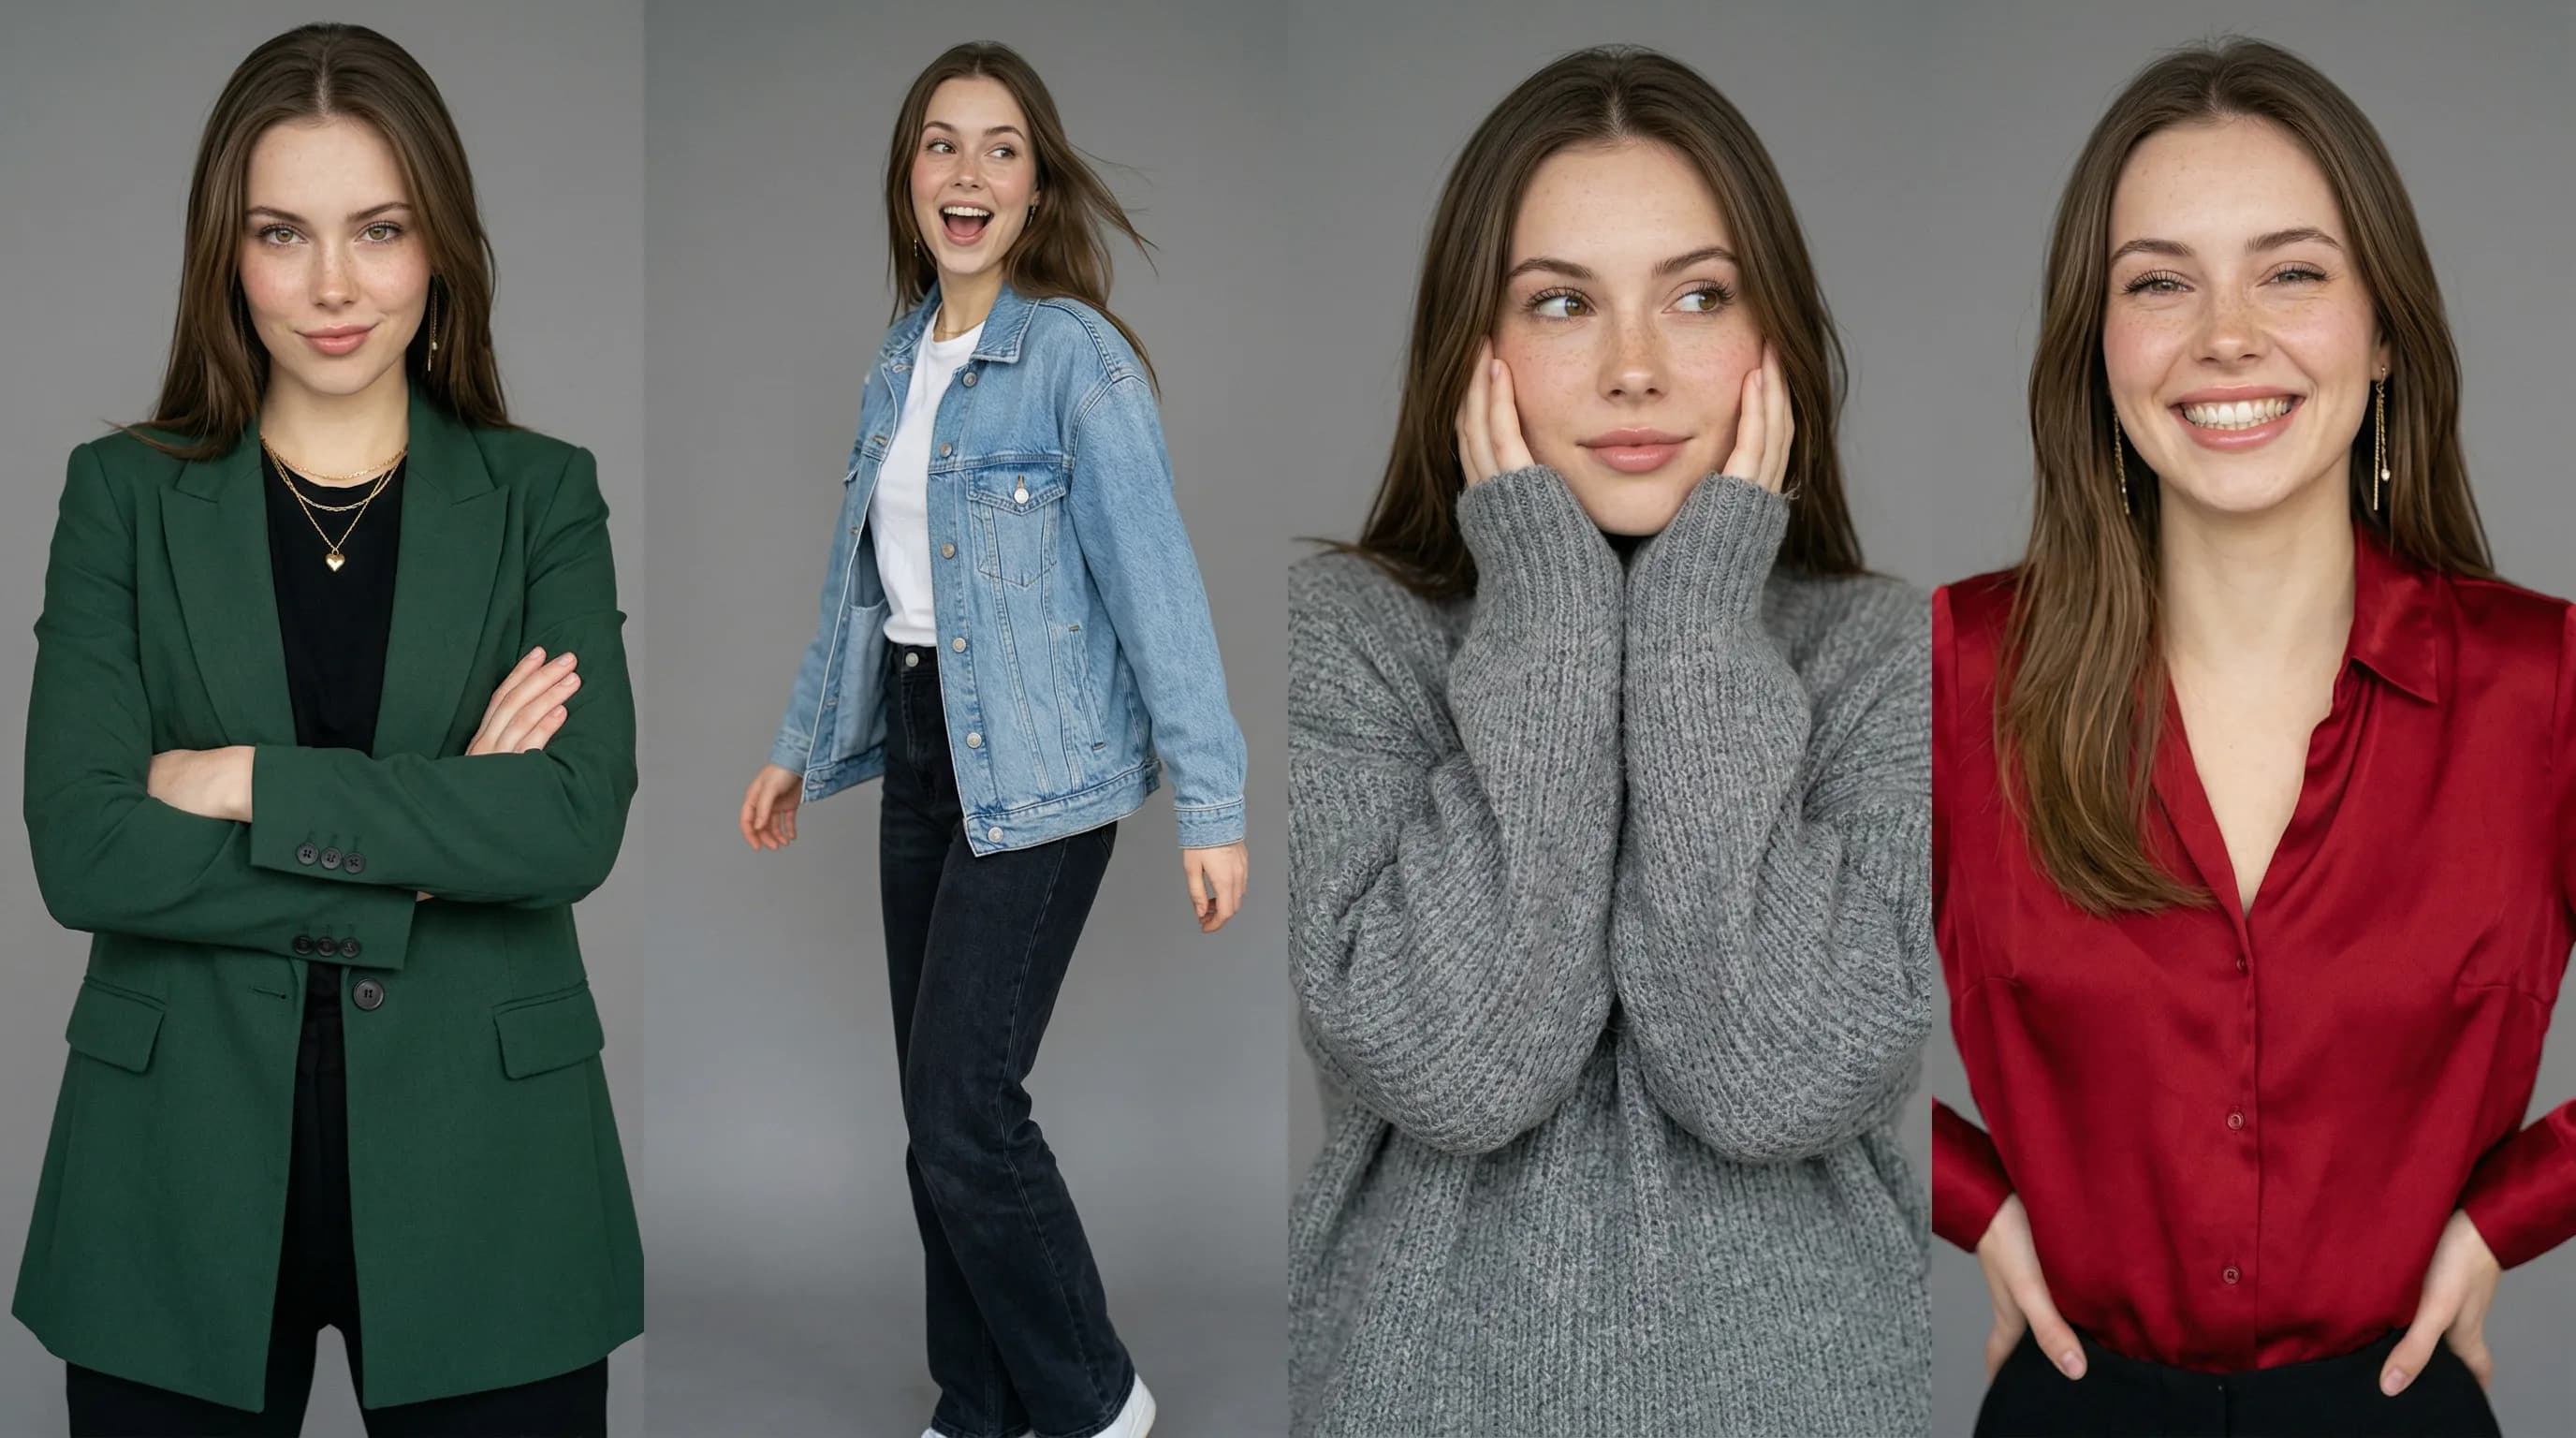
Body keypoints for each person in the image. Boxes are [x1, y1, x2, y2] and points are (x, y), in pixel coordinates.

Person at [1287, 45, 1932, 1436]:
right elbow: (1457, 1069)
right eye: (1563, 303)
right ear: (1480, 346)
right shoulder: (1350, 636)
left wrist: (1697, 626)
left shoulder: (1882, 655)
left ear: (1775, 338)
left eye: (1698, 296)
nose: (1635, 370)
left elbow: (1774, 1079)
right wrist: (1552, 610)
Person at [1934, 37, 2569, 1437]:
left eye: (2292, 271)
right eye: (2161, 281)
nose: (2228, 334)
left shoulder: (2547, 684)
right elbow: (1731, 998)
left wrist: (2505, 1219)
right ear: (2099, 347)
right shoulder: (1952, 671)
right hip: (2077, 1410)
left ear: (2384, 327)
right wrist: (1965, 1202)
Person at [13, 22, 640, 1438]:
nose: (336, 286)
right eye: (283, 234)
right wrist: (431, 830)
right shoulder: (115, 497)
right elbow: (86, 847)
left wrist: (240, 780)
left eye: (381, 228)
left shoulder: (546, 498)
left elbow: (570, 822)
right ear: (225, 258)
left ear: (441, 246)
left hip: (495, 1162)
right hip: (167, 1166)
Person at [736, 40, 1249, 1438]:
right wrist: (797, 745)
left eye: (1001, 147)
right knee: (932, 1117)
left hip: (1041, 767)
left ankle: (1095, 1402)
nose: (969, 173)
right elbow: (863, 587)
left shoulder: (1077, 363)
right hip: (915, 746)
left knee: (966, 1107)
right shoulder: (896, 366)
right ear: (909, 180)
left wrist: (1213, 806)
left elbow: (1161, 592)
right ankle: (979, 1405)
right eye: (941, 145)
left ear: (1037, 185)